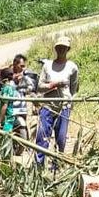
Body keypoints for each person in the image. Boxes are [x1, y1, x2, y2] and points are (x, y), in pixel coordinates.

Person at [35, 35, 79, 168]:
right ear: (55, 49)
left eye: (63, 48)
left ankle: (57, 164)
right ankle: (38, 166)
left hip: (63, 106)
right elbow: (39, 87)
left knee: (61, 138)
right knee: (42, 137)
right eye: (59, 47)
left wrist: (69, 102)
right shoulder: (47, 65)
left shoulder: (72, 67)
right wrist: (53, 85)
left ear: (68, 49)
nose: (61, 50)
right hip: (48, 105)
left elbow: (74, 89)